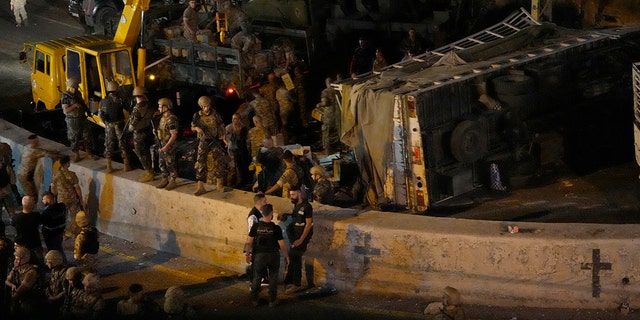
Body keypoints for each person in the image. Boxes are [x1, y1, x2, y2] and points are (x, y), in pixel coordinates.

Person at [244, 204, 289, 307]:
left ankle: (254, 300)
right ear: (271, 214)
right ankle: (272, 301)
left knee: (257, 277)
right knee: (273, 278)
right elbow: (282, 244)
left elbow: (249, 241)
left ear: (262, 213)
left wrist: (248, 254)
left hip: (259, 255)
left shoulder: (256, 227)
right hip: (273, 255)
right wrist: (287, 256)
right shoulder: (276, 228)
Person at [191, 96, 230, 195]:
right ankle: (200, 186)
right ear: (201, 106)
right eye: (204, 106)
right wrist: (196, 129)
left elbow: (221, 126)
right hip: (204, 141)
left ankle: (219, 185)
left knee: (220, 161)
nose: (206, 108)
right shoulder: (197, 116)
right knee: (200, 162)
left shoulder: (215, 114)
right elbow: (192, 126)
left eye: (207, 105)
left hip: (214, 140)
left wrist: (224, 139)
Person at [283, 187, 314, 293]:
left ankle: (296, 284)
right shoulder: (296, 205)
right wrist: (285, 215)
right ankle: (291, 282)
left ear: (300, 194)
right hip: (295, 236)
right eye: (291, 195)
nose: (291, 197)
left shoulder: (307, 207)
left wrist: (301, 240)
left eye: (293, 195)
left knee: (295, 257)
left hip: (302, 237)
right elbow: (295, 216)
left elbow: (309, 224)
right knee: (293, 257)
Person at [99, 80, 131, 173]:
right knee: (123, 144)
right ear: (116, 89)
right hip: (119, 125)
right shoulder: (120, 99)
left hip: (109, 126)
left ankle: (109, 167)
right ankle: (126, 165)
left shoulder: (103, 101)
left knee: (109, 145)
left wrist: (107, 124)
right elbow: (129, 109)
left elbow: (100, 115)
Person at [62, 77, 94, 162]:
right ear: (71, 86)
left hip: (82, 118)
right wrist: (74, 105)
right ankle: (76, 155)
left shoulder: (78, 94)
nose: (75, 89)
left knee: (87, 136)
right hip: (72, 120)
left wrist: (88, 111)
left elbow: (83, 104)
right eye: (74, 87)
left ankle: (89, 153)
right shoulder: (65, 96)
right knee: (74, 138)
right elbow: (65, 110)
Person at [128, 86, 156, 183]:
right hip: (147, 132)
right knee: (147, 152)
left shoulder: (137, 109)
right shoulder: (149, 106)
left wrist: (129, 128)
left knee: (141, 154)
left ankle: (149, 173)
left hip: (138, 134)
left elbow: (132, 126)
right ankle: (149, 171)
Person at [51, 155, 84, 237]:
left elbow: (53, 188)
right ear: (67, 164)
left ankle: (63, 234)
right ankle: (74, 233)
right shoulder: (72, 174)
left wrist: (56, 196)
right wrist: (80, 198)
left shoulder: (56, 175)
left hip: (61, 200)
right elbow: (77, 188)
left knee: (62, 217)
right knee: (74, 216)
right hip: (72, 198)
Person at [5, 246, 39, 317]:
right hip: (17, 298)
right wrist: (12, 285)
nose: (15, 261)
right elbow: (7, 280)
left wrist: (13, 297)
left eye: (17, 259)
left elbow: (22, 287)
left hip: (26, 300)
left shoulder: (31, 271)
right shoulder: (16, 269)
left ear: (24, 259)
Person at [155, 98, 179, 190]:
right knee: (161, 162)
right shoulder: (162, 118)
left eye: (160, 106)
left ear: (165, 107)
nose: (158, 108)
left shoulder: (171, 119)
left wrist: (166, 146)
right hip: (162, 143)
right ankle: (164, 178)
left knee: (170, 162)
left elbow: (173, 135)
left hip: (169, 145)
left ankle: (173, 179)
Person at [14, 195, 43, 267]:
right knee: (39, 264)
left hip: (23, 244)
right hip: (35, 243)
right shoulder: (36, 215)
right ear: (31, 205)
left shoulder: (17, 218)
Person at [226, 113, 250, 188]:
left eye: (236, 119)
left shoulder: (243, 127)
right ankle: (230, 182)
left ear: (240, 119)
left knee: (241, 166)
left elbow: (247, 139)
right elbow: (224, 137)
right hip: (232, 150)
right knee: (232, 167)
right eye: (233, 119)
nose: (234, 120)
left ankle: (240, 182)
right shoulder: (229, 127)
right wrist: (228, 143)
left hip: (241, 150)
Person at [40, 192, 67, 260]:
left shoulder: (47, 212)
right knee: (59, 248)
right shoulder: (62, 206)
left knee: (52, 251)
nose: (42, 201)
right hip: (60, 232)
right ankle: (64, 262)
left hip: (50, 234)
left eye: (43, 199)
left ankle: (55, 264)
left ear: (48, 199)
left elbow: (42, 221)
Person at [43, 250, 68, 315]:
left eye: (48, 262)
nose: (46, 263)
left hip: (58, 301)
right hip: (52, 295)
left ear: (54, 263)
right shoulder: (54, 270)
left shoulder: (64, 274)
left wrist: (54, 299)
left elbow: (65, 292)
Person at [0, 141, 16, 225]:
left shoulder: (7, 166)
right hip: (4, 191)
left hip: (7, 191)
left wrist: (10, 170)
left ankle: (14, 223)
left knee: (12, 214)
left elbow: (13, 182)